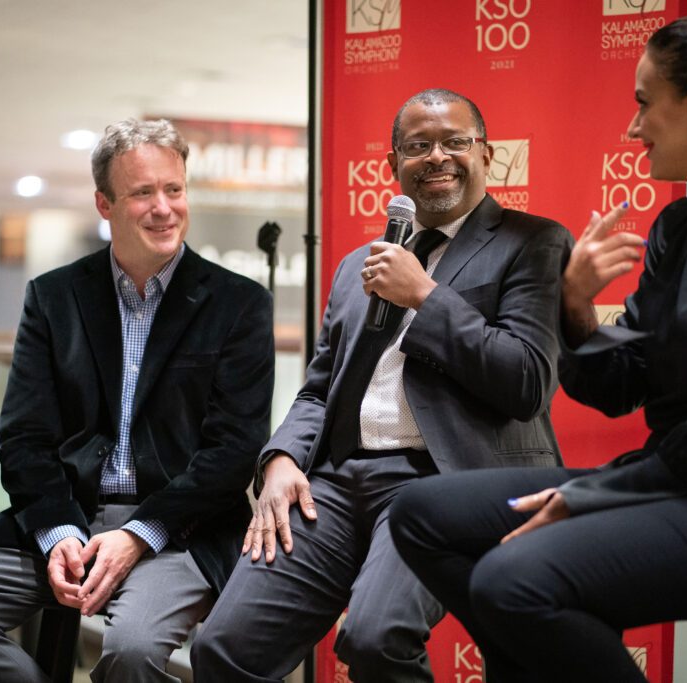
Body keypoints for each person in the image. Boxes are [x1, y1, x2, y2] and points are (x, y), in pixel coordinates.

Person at [389, 15, 687, 682]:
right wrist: (577, 303)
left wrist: (593, 494)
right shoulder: (680, 225)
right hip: (682, 481)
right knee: (421, 514)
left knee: (511, 580)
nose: (632, 127)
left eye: (645, 103)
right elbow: (616, 386)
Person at [190, 88, 572, 682]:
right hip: (335, 485)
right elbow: (319, 389)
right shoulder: (356, 267)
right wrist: (284, 458)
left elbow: (525, 380)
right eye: (418, 146)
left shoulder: (533, 243)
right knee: (223, 646)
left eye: (454, 142)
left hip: (445, 482)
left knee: (374, 639)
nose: (437, 156)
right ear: (392, 165)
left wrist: (425, 295)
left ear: (487, 155)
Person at [0, 119, 275, 682]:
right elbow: (23, 438)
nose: (163, 207)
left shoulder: (239, 304)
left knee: (130, 650)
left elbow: (233, 451)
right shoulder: (54, 298)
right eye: (143, 192)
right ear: (105, 203)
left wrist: (136, 535)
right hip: (66, 517)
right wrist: (59, 534)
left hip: (178, 528)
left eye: (173, 189)